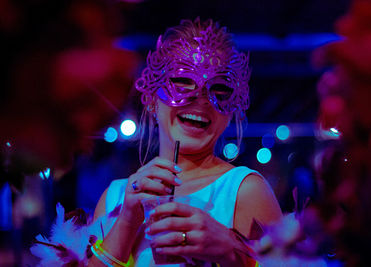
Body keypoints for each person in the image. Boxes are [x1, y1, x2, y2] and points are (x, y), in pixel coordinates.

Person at [32, 18, 282, 267]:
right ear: (152, 98)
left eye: (220, 89)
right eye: (182, 81)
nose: (201, 100)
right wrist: (127, 221)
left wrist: (232, 253)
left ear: (231, 112)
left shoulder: (245, 192)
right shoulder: (116, 197)